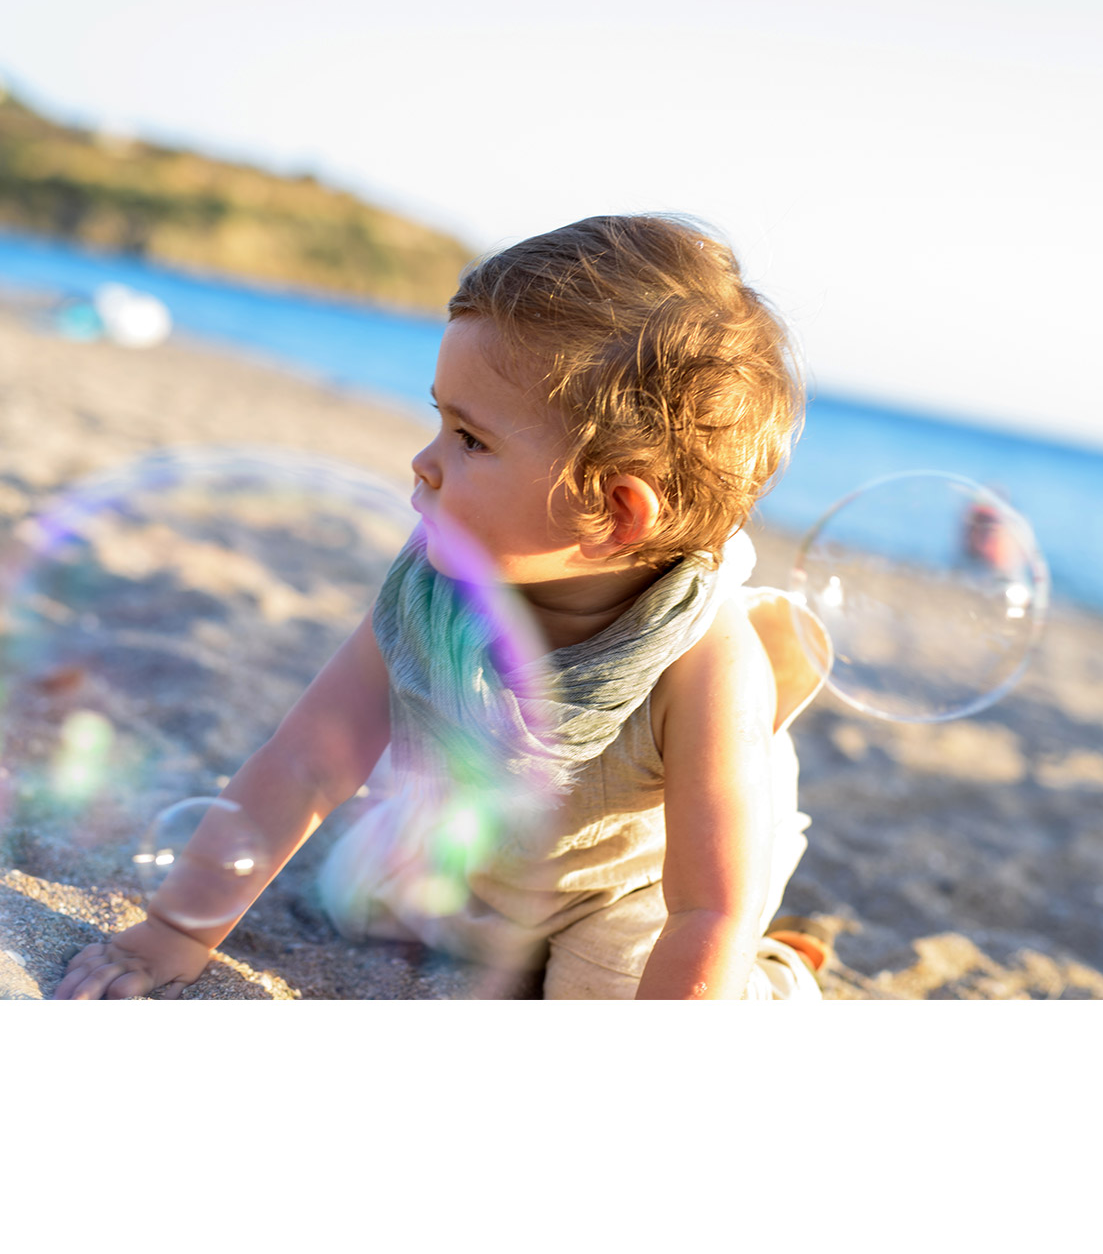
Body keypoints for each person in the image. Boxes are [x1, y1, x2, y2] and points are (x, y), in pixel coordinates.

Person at [54, 215, 833, 1000]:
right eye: (440, 420)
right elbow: (305, 760)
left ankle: (775, 982)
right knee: (356, 900)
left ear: (615, 513)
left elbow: (708, 904)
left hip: (624, 895)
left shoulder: (705, 656)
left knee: (606, 991)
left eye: (470, 439)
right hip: (479, 859)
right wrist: (174, 932)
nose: (423, 462)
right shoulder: (433, 589)